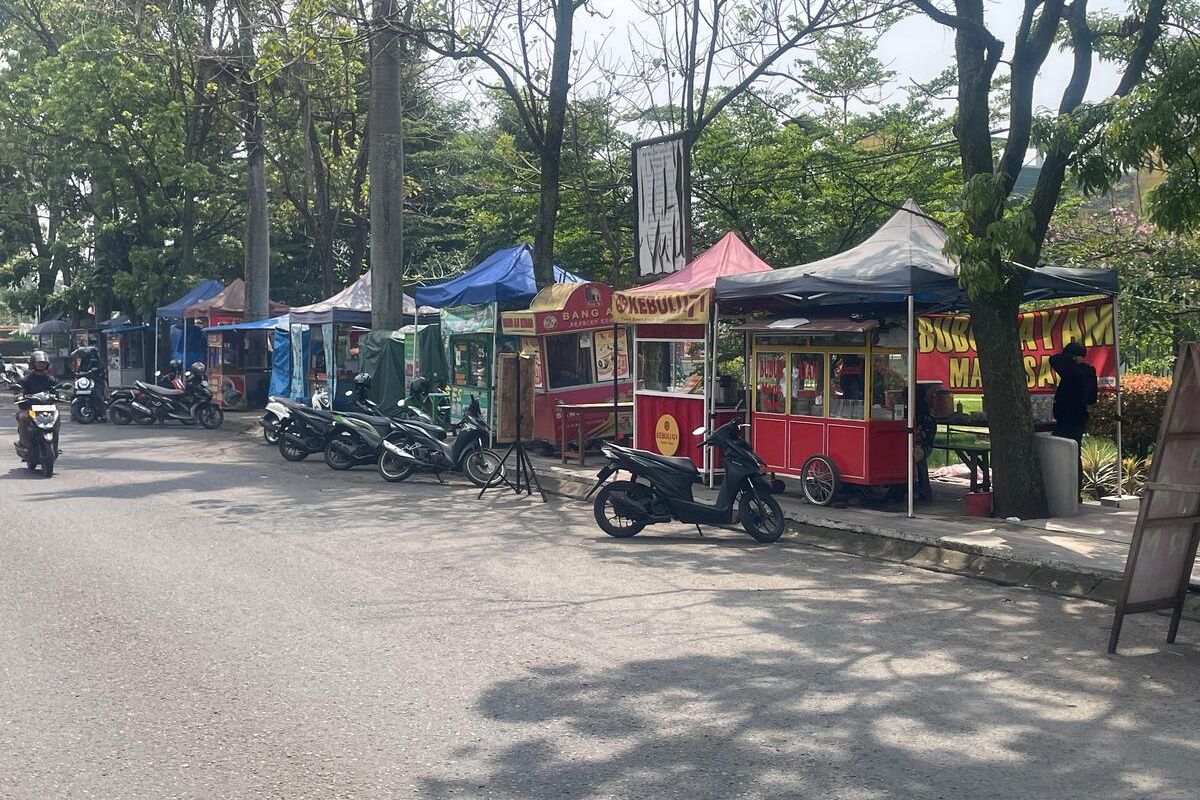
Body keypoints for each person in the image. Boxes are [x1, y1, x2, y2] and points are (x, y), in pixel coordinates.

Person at [1050, 340, 1098, 502]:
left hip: (1068, 419)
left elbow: (1054, 359)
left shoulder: (1073, 371)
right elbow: (1092, 399)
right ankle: (1074, 493)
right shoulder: (1089, 372)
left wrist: (1070, 358)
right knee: (1073, 455)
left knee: (1062, 455)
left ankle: (1065, 492)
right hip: (1078, 418)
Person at [15, 351, 58, 444]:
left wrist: (58, 394)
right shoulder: (27, 379)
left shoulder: (50, 379)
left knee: (57, 416)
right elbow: (20, 388)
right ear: (33, 363)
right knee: (22, 417)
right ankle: (24, 443)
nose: (41, 365)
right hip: (30, 408)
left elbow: (56, 389)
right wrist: (20, 395)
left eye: (43, 363)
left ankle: (55, 444)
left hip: (47, 407)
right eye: (39, 362)